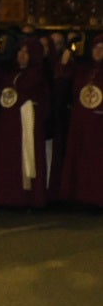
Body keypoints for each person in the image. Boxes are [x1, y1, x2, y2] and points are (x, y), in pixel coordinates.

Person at [0, 38, 50, 209]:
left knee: (27, 158)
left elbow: (43, 101)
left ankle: (29, 199)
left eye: (26, 52)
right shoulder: (10, 74)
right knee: (9, 160)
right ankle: (8, 197)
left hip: (27, 122)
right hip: (9, 124)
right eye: (20, 51)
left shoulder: (39, 74)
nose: (22, 55)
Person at [57, 34, 103, 208]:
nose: (98, 52)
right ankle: (81, 197)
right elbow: (65, 82)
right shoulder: (83, 70)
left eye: (102, 49)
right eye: (96, 48)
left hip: (99, 124)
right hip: (81, 123)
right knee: (81, 160)